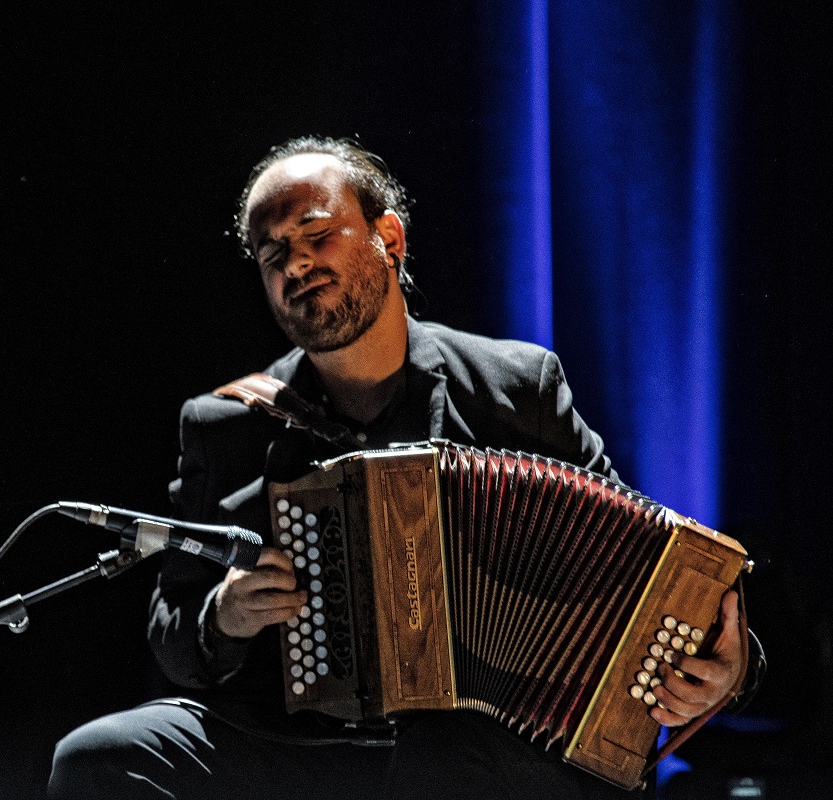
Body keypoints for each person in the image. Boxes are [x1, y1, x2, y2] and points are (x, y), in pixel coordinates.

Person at [48, 137, 751, 799]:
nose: (294, 264)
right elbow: (173, 631)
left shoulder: (516, 388)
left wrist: (729, 664)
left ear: (389, 238)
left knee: (440, 754)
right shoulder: (227, 424)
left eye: (316, 234)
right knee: (98, 758)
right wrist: (223, 616)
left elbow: (648, 567)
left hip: (486, 740)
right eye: (273, 253)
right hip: (301, 744)